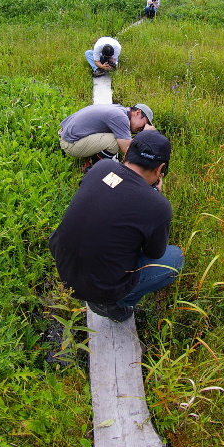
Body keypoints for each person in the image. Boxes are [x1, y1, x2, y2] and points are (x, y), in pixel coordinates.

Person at [49, 131, 184, 322]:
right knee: (175, 257)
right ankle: (114, 303)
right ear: (160, 168)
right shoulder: (158, 206)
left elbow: (108, 191)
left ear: (127, 153)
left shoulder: (102, 167)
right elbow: (154, 253)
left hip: (63, 264)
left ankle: (102, 290)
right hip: (99, 288)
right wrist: (154, 195)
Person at [58, 102, 155, 162]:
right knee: (115, 143)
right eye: (144, 124)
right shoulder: (121, 118)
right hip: (70, 144)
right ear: (137, 113)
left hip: (67, 135)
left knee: (119, 137)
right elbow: (128, 151)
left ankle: (90, 156)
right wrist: (145, 135)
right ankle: (93, 166)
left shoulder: (119, 110)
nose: (142, 128)